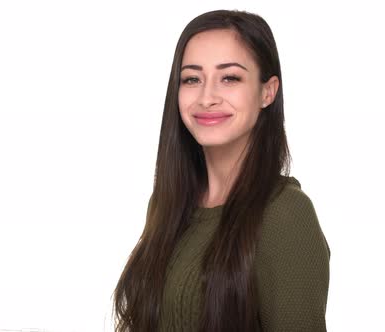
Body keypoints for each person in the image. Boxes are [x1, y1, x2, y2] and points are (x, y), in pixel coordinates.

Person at [112, 9, 330, 332]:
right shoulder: (169, 204)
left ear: (267, 92)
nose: (207, 97)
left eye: (229, 77)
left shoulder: (285, 215)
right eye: (192, 79)